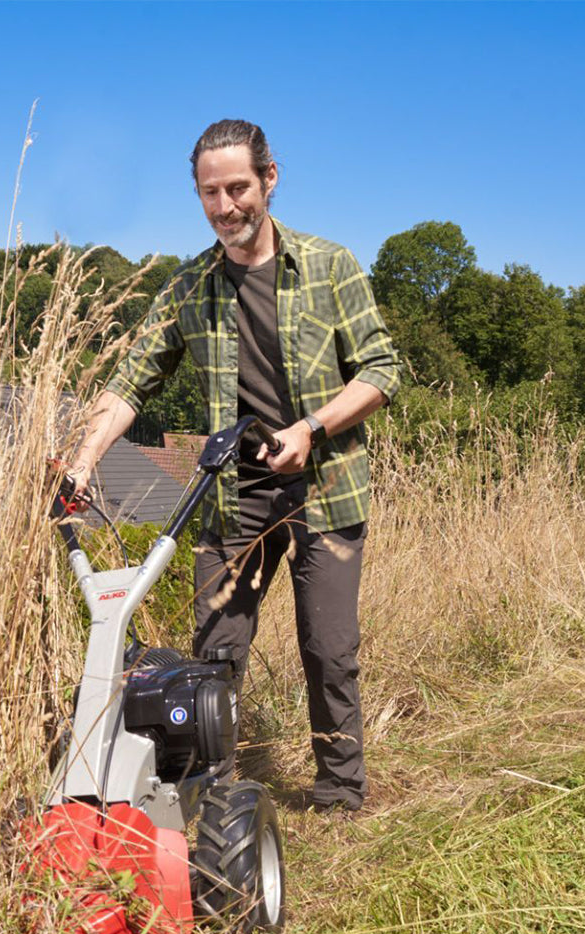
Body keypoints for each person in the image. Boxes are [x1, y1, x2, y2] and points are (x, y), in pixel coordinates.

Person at [68, 119, 400, 814]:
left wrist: (311, 429)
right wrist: (82, 458)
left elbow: (381, 370)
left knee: (328, 652)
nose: (226, 207)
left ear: (270, 179)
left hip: (324, 490)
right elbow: (131, 381)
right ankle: (207, 795)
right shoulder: (190, 286)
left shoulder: (330, 266)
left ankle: (339, 794)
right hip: (231, 501)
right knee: (215, 656)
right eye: (209, 193)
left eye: (238, 188)